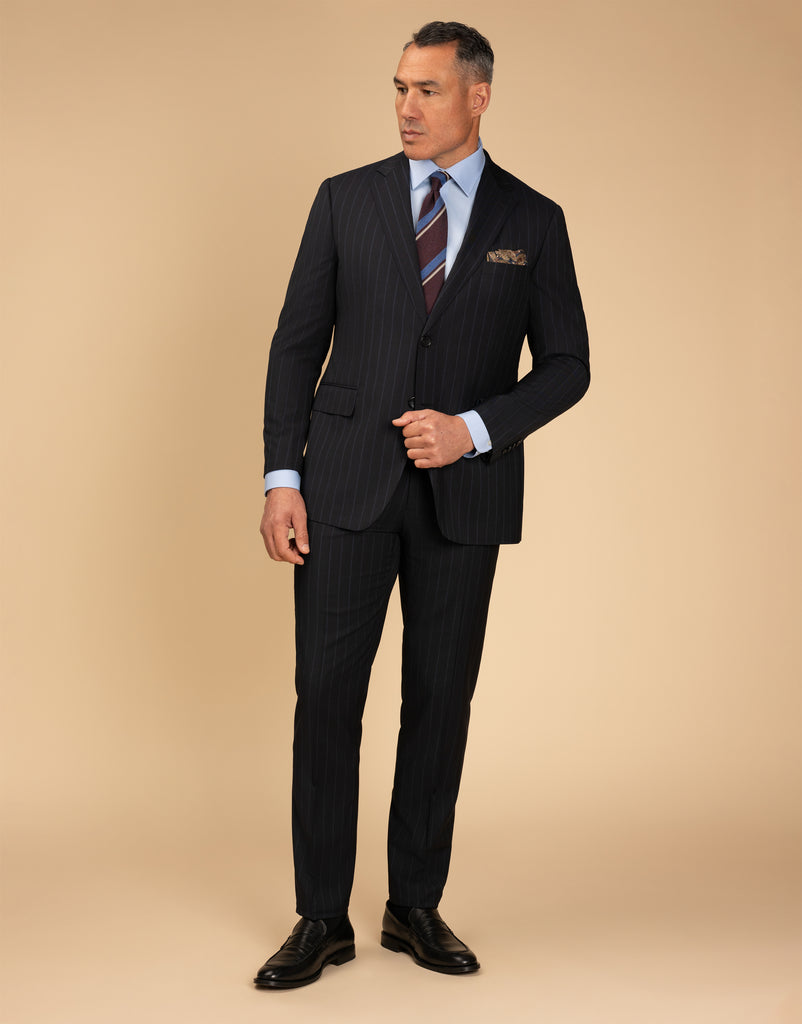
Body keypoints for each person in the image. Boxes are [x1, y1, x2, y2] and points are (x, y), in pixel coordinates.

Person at [254, 21, 589, 988]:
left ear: (478, 96)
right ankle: (321, 917)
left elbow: (568, 365)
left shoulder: (534, 219)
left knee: (440, 703)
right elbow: (295, 345)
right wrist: (282, 479)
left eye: (428, 90)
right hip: (342, 488)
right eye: (399, 88)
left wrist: (473, 429)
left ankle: (414, 906)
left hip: (463, 498)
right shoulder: (345, 199)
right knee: (327, 700)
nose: (406, 107)